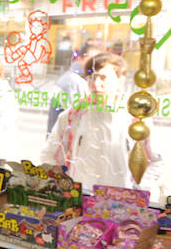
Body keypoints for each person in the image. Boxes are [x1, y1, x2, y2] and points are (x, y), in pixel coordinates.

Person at [42, 52, 162, 192]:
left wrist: (138, 189)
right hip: (80, 198)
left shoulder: (136, 118)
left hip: (121, 200)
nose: (96, 84)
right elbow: (51, 154)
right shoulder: (73, 115)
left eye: (103, 78)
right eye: (91, 78)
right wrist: (61, 185)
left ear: (120, 80)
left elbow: (156, 160)